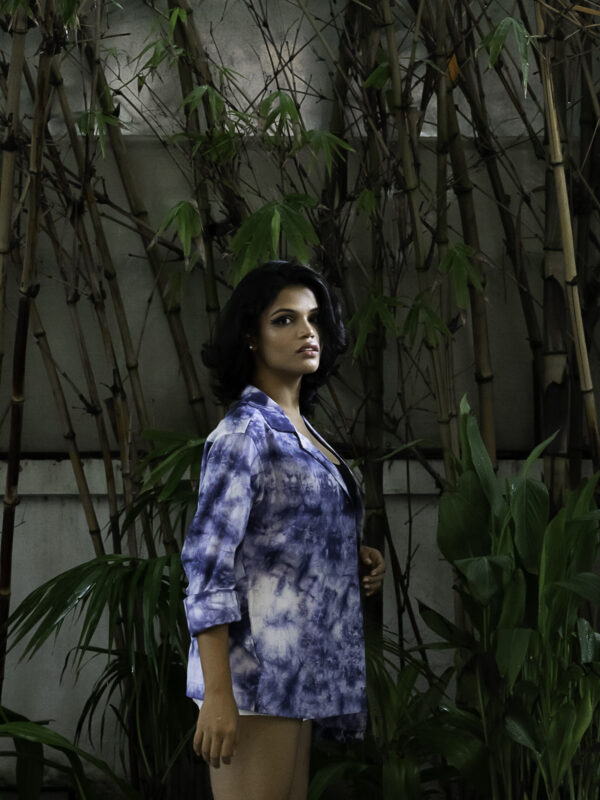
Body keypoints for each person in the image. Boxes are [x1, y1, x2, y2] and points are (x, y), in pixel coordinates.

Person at [181, 261, 385, 800]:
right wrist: (219, 695)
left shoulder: (302, 432)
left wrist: (352, 556)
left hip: (299, 677)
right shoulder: (243, 434)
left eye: (314, 319)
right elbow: (207, 569)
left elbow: (279, 540)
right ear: (251, 336)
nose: (306, 331)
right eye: (285, 319)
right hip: (253, 679)